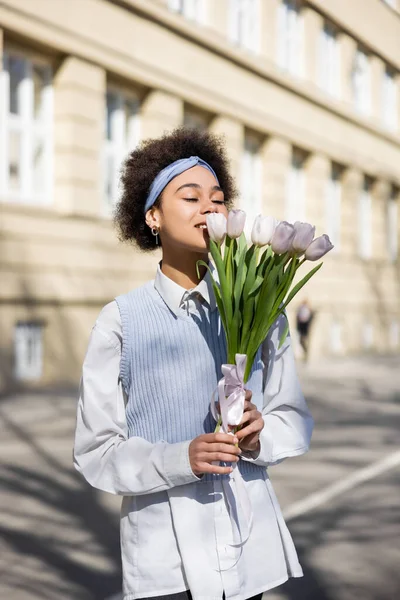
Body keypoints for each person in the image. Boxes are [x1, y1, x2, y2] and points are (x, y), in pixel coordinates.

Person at [73, 127, 314, 600]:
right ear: (153, 217)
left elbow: (295, 419)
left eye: (218, 199)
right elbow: (96, 451)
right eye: (190, 197)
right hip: (165, 561)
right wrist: (179, 457)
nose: (209, 208)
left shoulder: (264, 306)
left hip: (249, 551)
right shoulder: (120, 321)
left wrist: (260, 435)